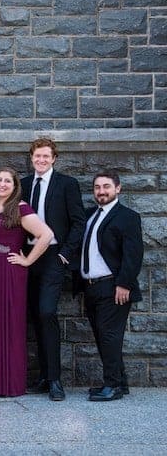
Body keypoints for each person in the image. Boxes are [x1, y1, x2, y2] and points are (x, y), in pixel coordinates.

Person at [0, 168, 53, 397]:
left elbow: (46, 235)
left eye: (7, 181)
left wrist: (27, 260)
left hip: (10, 270)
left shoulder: (20, 208)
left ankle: (10, 384)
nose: (2, 184)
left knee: (10, 323)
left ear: (15, 186)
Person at [21, 137, 85, 401]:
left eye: (46, 156)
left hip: (53, 257)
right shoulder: (23, 185)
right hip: (27, 255)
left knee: (47, 312)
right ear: (31, 158)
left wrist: (64, 255)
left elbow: (79, 222)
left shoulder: (67, 184)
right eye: (37, 156)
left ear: (54, 158)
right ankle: (44, 377)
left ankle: (56, 380)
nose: (41, 160)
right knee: (35, 316)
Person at [77, 171, 143, 402]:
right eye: (97, 187)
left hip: (113, 287)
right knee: (102, 336)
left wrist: (124, 283)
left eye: (106, 186)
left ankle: (112, 386)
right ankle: (120, 382)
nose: (101, 191)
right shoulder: (89, 215)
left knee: (110, 337)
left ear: (118, 188)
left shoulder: (128, 217)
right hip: (91, 287)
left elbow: (133, 255)